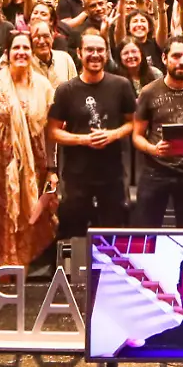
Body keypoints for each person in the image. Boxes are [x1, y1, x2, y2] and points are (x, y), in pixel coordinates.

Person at [0, 32, 57, 267]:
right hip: (0, 170)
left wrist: (52, 169)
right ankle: (6, 280)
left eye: (26, 48)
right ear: (6, 54)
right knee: (3, 226)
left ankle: (23, 283)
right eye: (16, 48)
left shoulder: (43, 86)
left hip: (36, 168)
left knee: (31, 223)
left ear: (31, 53)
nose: (21, 52)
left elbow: (51, 133)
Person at [47, 29, 136, 237]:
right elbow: (52, 132)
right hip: (77, 175)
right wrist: (82, 139)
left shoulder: (121, 85)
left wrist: (112, 135)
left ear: (106, 54)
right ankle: (75, 270)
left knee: (112, 234)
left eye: (100, 50)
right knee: (74, 232)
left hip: (112, 174)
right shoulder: (66, 90)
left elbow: (133, 124)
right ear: (79, 53)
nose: (95, 55)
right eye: (89, 50)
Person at [132, 36, 183, 227]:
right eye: (176, 56)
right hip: (155, 172)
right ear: (164, 58)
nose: (181, 61)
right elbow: (137, 136)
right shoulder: (148, 92)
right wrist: (153, 149)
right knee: (146, 233)